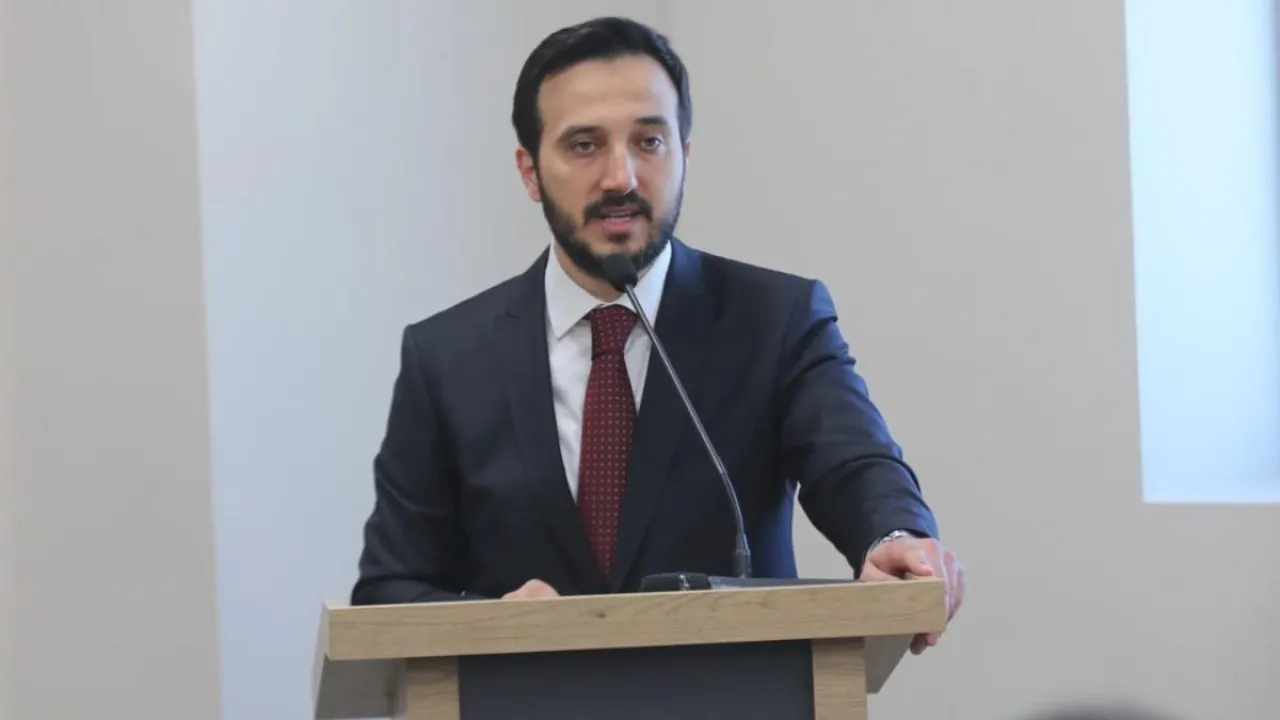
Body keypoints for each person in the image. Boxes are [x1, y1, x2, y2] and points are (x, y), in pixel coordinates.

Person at [350, 15, 966, 655]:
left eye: (649, 142)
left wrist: (894, 537)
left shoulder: (774, 319)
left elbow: (853, 463)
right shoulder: (446, 358)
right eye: (584, 145)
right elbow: (389, 590)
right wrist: (492, 625)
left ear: (684, 157)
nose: (621, 177)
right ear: (529, 172)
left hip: (737, 690)